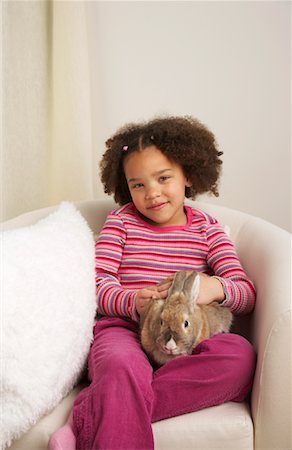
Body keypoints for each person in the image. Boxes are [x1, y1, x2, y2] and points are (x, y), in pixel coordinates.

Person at [49, 115, 256, 450]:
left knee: (241, 357)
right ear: (125, 186)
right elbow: (96, 284)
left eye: (163, 178)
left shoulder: (208, 229)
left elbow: (245, 293)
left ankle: (91, 413)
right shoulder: (121, 223)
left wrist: (213, 287)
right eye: (138, 184)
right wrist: (132, 302)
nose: (153, 193)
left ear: (188, 174)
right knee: (119, 365)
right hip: (124, 330)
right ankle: (118, 392)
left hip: (188, 339)